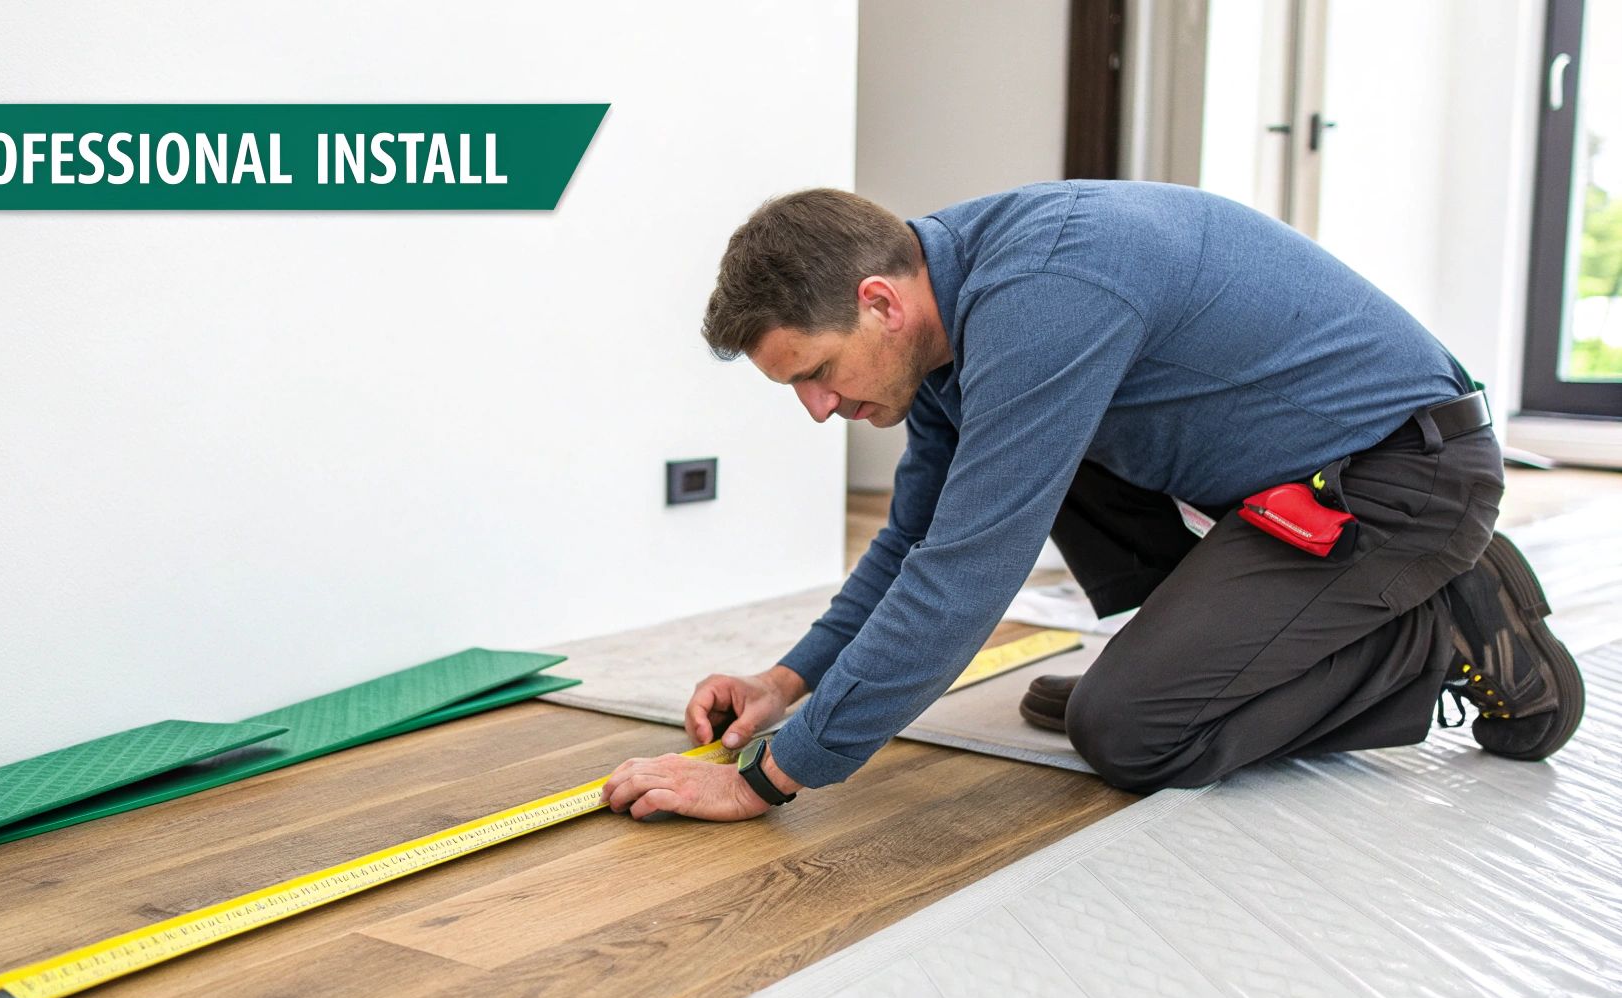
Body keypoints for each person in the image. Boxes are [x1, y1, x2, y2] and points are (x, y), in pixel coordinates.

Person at [601, 180, 1583, 822]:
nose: (818, 409)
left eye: (814, 373)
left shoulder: (1043, 293)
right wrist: (787, 681)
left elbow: (965, 573)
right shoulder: (948, 316)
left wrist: (771, 776)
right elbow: (917, 538)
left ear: (879, 303)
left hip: (1403, 482)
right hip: (1289, 482)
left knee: (1130, 732)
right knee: (1021, 467)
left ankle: (1444, 630)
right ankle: (1198, 667)